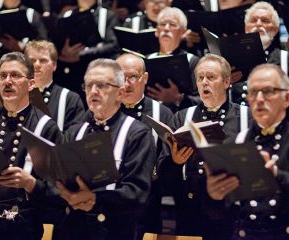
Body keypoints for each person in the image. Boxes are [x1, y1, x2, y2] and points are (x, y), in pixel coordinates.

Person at [52, 58, 156, 240]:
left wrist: (94, 199)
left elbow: (137, 193)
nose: (93, 91)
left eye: (101, 85)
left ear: (120, 92)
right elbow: (56, 179)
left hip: (113, 231)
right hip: (72, 230)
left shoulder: (137, 133)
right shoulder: (74, 132)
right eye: (89, 85)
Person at [159, 54, 252, 239]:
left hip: (233, 212)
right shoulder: (181, 117)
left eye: (210, 77)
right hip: (190, 211)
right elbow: (163, 169)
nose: (204, 82)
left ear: (227, 82)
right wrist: (175, 161)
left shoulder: (247, 117)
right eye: (200, 78)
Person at [206, 63, 289, 240]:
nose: (259, 99)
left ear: (287, 98)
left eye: (268, 91)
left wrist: (277, 176)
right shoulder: (236, 142)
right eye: (253, 92)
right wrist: (214, 195)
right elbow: (219, 214)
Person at [0, 52, 62, 239]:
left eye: (15, 75)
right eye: (3, 76)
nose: (7, 81)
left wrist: (30, 183)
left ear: (31, 84)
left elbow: (60, 189)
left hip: (25, 224)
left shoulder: (46, 127)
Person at [116, 53, 173, 237]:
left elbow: (166, 162)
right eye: (121, 77)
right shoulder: (105, 110)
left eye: (132, 76)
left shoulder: (162, 112)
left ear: (145, 78)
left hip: (147, 208)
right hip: (110, 205)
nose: (126, 84)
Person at [53, 0, 120, 103]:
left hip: (97, 70)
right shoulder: (65, 15)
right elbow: (54, 41)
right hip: (69, 70)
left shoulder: (108, 15)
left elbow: (114, 45)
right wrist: (62, 51)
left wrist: (81, 54)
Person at [24, 40, 86, 131]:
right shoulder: (16, 95)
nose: (36, 65)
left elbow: (74, 140)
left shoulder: (70, 99)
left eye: (43, 60)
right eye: (32, 60)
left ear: (54, 65)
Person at [146, 7, 200, 112]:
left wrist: (178, 98)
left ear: (183, 32)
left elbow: (203, 99)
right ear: (157, 31)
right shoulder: (146, 60)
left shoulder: (193, 61)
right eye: (162, 24)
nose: (166, 28)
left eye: (172, 25)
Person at [230, 1, 283, 105]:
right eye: (254, 20)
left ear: (275, 30)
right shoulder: (231, 59)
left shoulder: (286, 58)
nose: (258, 24)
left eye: (265, 20)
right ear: (246, 28)